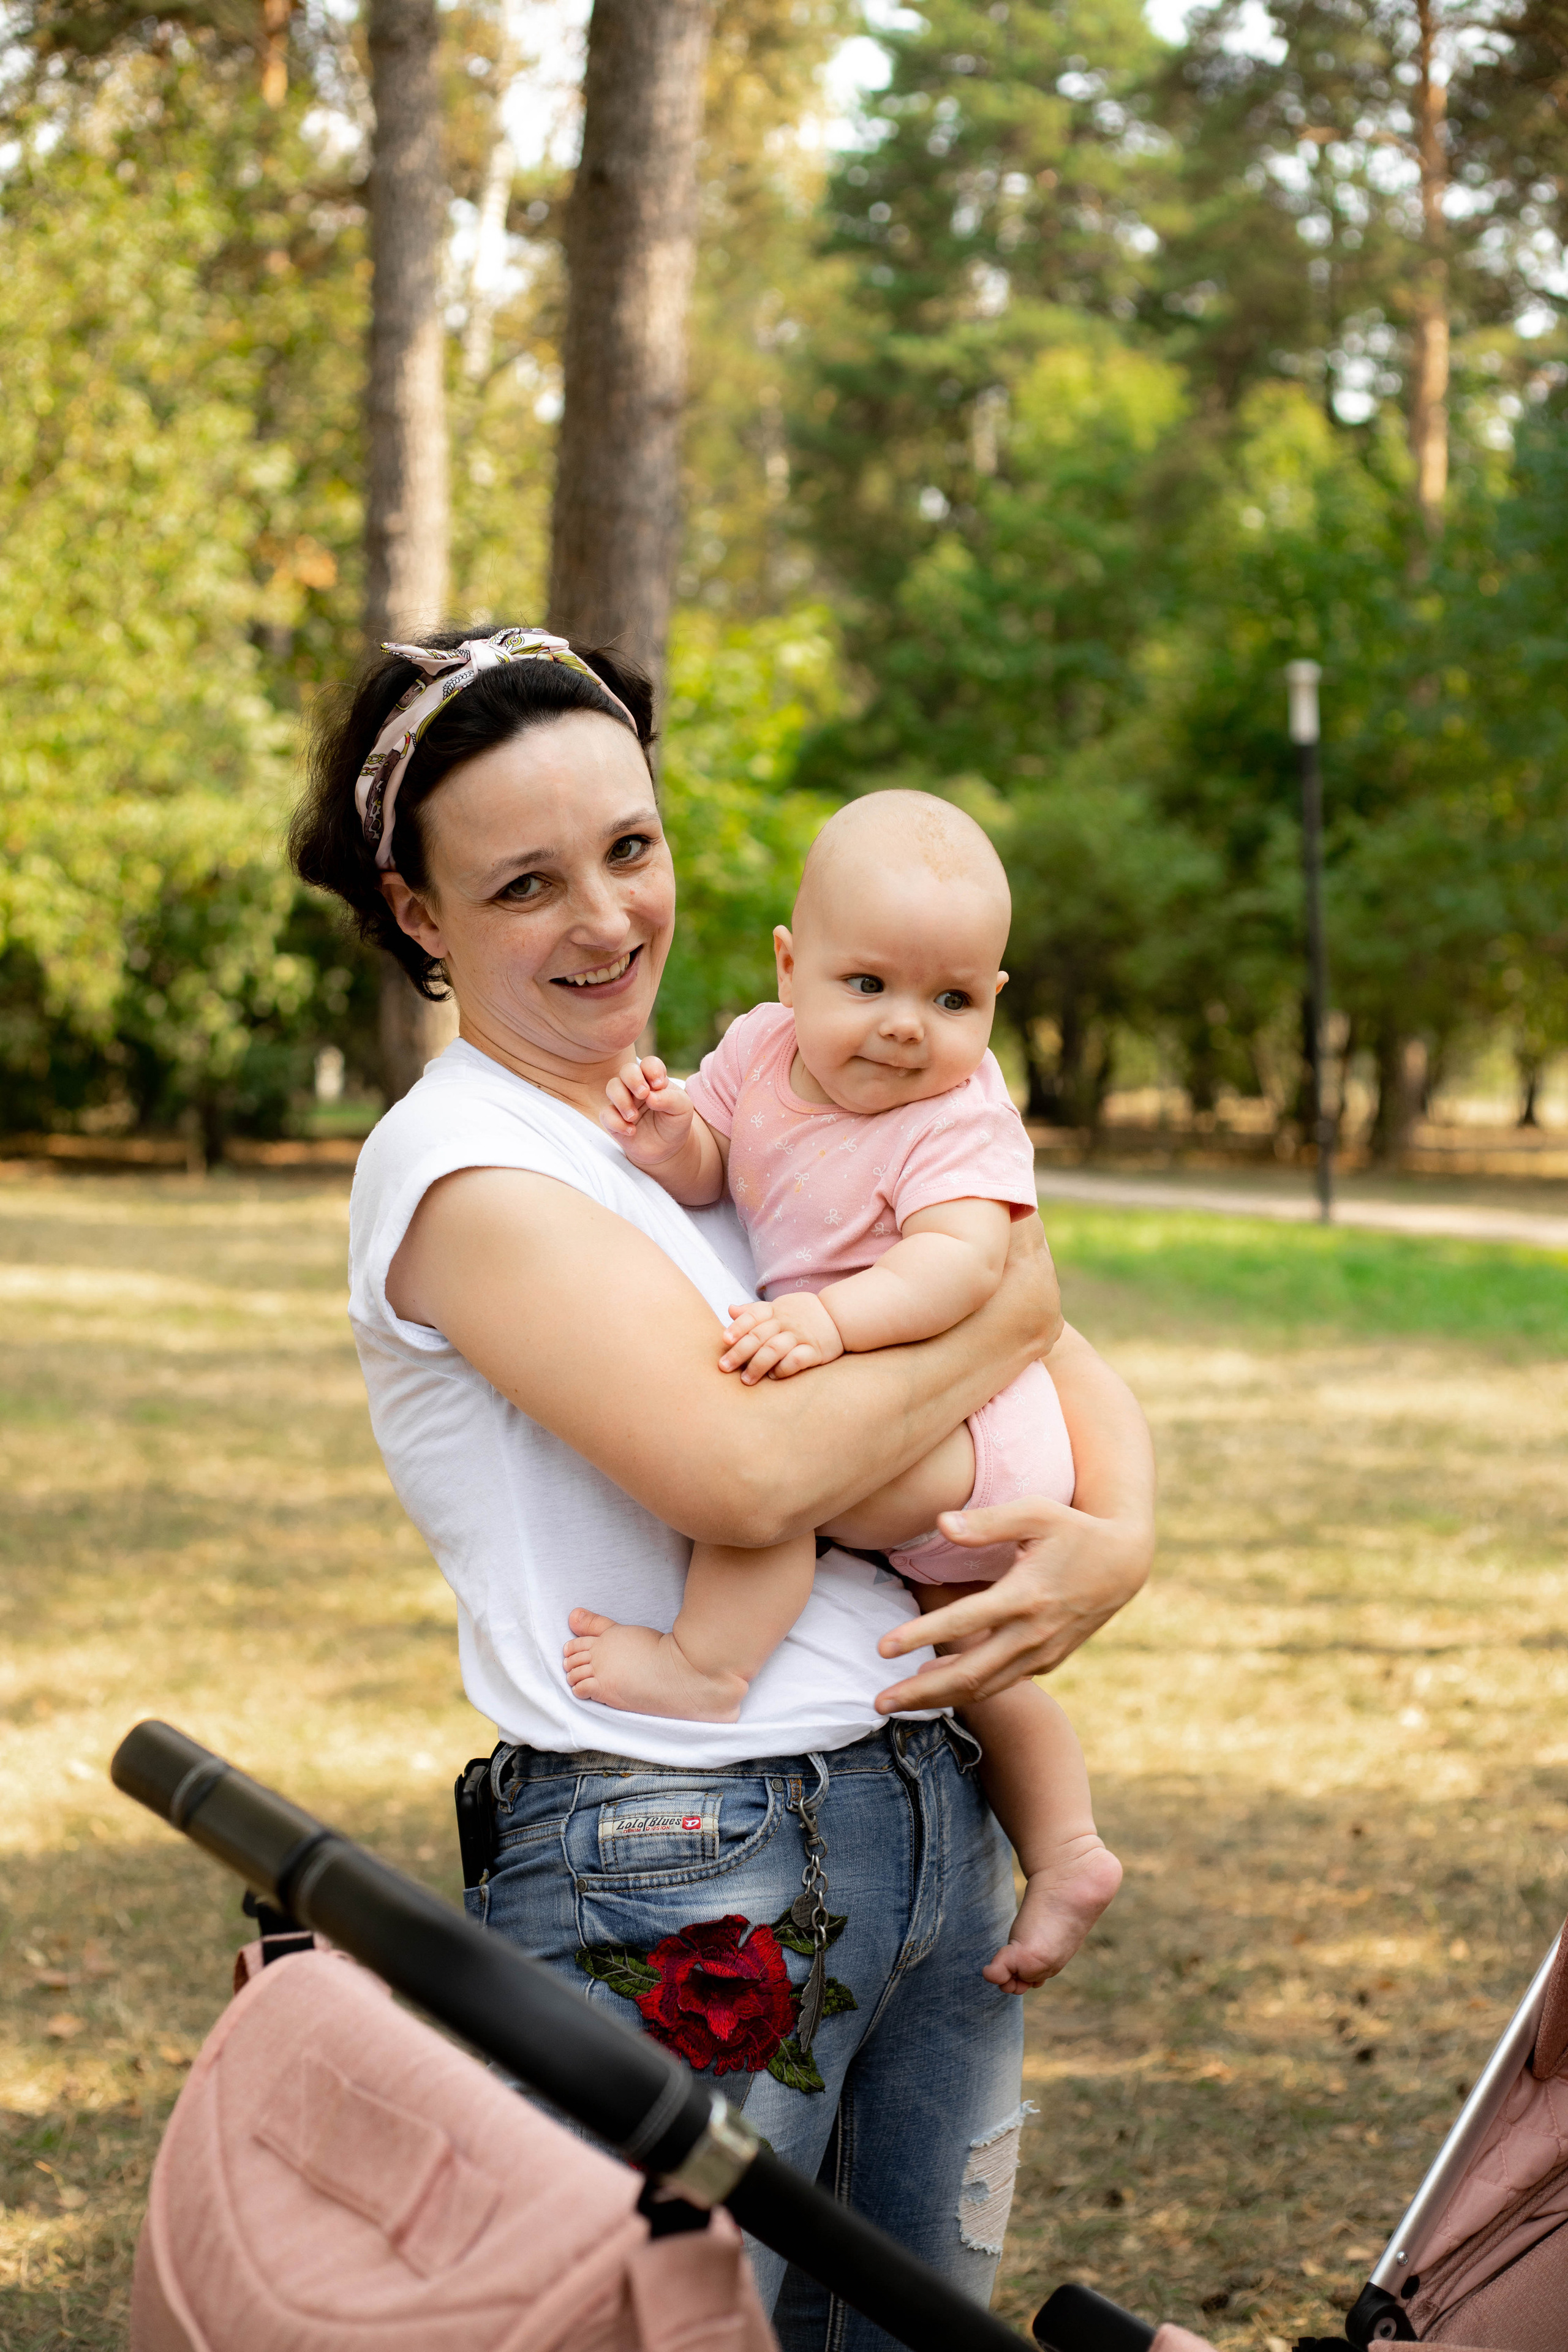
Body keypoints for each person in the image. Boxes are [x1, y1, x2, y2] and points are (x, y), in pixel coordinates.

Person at [290, 624, 1156, 2352]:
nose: (606, 919)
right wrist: (1013, 1301)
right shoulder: (459, 1165)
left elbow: (1051, 1336)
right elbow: (748, 1471)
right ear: (418, 915)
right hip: (678, 1854)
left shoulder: (729, 1113)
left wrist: (1117, 1539)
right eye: (525, 883)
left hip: (930, 1817)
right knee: (672, 2334)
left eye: (630, 848)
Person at [575, 789, 1120, 1993]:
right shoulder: (756, 1051)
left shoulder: (959, 1119)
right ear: (789, 965)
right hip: (921, 1434)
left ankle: (705, 1669)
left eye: (951, 1000)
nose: (903, 1030)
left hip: (971, 1433)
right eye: (865, 985)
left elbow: (963, 1266)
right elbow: (717, 1159)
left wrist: (829, 1320)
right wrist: (671, 1139)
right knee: (975, 1669)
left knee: (775, 1477)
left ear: (992, 1000)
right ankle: (1068, 1845)